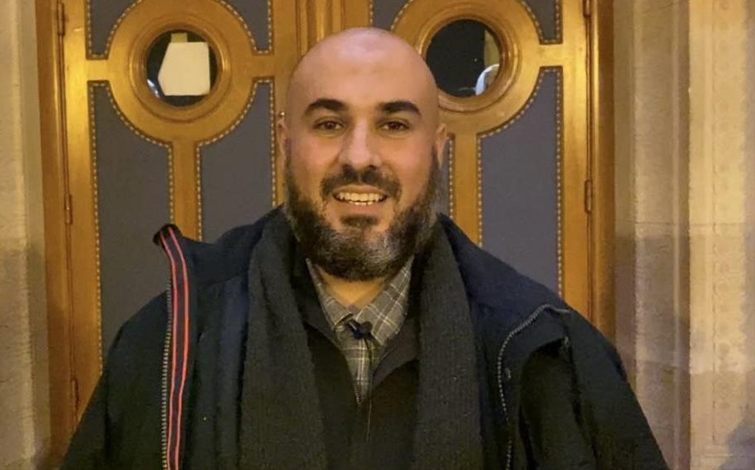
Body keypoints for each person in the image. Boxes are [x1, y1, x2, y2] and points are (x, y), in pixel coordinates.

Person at [63, 28, 667, 470]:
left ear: (437, 147)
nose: (359, 156)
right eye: (329, 124)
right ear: (285, 142)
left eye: (394, 125)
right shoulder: (171, 344)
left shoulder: (542, 351)